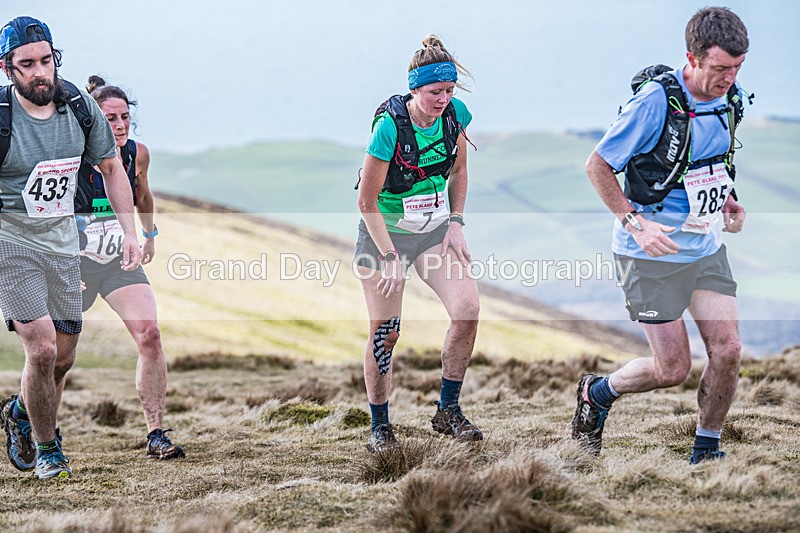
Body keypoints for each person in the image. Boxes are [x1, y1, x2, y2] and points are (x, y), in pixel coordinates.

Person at [572, 7, 750, 464]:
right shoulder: (655, 102)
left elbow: (707, 162)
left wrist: (727, 198)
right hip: (647, 252)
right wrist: (636, 222)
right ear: (690, 58)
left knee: (728, 350)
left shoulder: (729, 99)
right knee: (672, 369)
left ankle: (706, 450)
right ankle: (597, 393)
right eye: (719, 69)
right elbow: (598, 165)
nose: (729, 78)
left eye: (736, 68)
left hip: (703, 246)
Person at [0, 16, 141, 480]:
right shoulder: (2, 118)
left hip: (63, 246)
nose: (40, 72)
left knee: (63, 356)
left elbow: (111, 167)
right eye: (27, 64)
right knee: (40, 350)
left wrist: (131, 232)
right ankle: (48, 449)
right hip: (11, 245)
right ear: (8, 69)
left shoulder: (80, 108)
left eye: (46, 60)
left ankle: (21, 411)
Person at [355, 35, 482, 452]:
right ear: (415, 89)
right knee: (386, 332)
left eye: (448, 90)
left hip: (432, 231)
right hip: (383, 235)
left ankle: (447, 412)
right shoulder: (389, 128)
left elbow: (459, 172)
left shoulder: (455, 116)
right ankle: (380, 426)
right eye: (433, 92)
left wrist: (457, 222)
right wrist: (389, 256)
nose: (442, 99)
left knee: (467, 310)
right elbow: (366, 201)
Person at [76, 76, 184, 460]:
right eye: (110, 119)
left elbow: (143, 193)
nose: (120, 126)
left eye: (124, 117)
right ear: (92, 121)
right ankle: (41, 433)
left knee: (150, 335)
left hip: (119, 263)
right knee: (55, 357)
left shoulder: (137, 153)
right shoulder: (73, 154)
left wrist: (149, 233)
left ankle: (155, 432)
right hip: (74, 265)